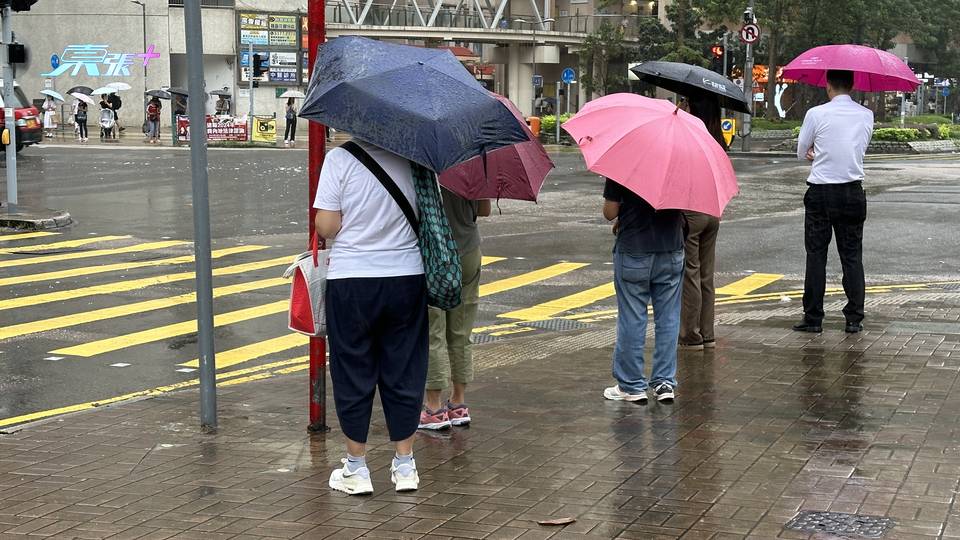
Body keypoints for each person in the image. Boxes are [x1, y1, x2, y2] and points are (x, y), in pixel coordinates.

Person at [314, 138, 427, 496]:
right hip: (407, 276)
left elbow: (326, 226)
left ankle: (356, 468)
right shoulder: (416, 157)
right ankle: (406, 465)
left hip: (352, 278)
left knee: (353, 369)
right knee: (405, 368)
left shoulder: (339, 159)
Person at [794, 69, 874, 334]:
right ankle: (854, 318)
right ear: (852, 85)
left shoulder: (816, 114)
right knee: (852, 255)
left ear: (828, 85)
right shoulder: (866, 115)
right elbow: (858, 149)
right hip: (853, 191)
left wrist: (815, 153)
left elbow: (800, 151)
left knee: (816, 255)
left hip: (821, 192)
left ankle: (813, 318)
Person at [602, 178, 685, 404]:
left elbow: (609, 211)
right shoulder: (680, 162)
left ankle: (631, 385)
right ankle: (664, 382)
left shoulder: (622, 164)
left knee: (632, 317)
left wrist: (624, 217)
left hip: (634, 249)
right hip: (671, 247)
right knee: (668, 318)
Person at [418, 191, 491, 430]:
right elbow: (484, 210)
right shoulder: (472, 162)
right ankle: (458, 403)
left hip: (436, 253)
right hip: (469, 250)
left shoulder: (425, 166)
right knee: (461, 330)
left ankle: (434, 406)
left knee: (433, 331)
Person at [679, 95, 724, 351]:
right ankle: (708, 333)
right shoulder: (716, 136)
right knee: (707, 276)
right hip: (712, 212)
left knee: (690, 275)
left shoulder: (688, 134)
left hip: (691, 213)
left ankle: (690, 334)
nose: (682, 104)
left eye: (686, 100)